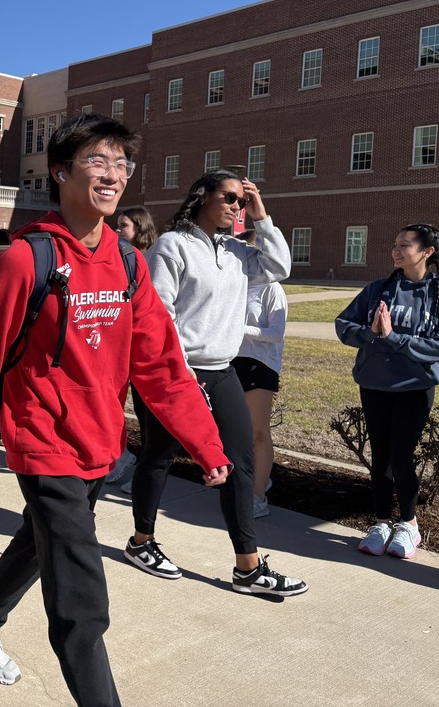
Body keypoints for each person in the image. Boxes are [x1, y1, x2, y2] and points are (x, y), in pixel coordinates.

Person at [0, 114, 232, 706]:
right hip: (41, 441)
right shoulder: (25, 261)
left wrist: (205, 442)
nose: (113, 175)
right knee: (81, 600)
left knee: (39, 541)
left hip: (100, 442)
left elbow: (161, 365)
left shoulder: (126, 263)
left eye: (121, 165)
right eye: (98, 161)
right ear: (61, 171)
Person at [126, 169, 307, 597]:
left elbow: (279, 267)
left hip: (223, 370)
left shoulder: (238, 252)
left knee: (240, 462)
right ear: (201, 195)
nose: (234, 206)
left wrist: (262, 216)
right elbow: (159, 312)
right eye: (228, 197)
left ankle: (247, 565)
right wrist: (178, 371)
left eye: (240, 202)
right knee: (159, 456)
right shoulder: (173, 245)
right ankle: (142, 541)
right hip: (177, 372)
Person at [336, 224, 439, 559]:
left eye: (405, 245)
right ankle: (380, 523)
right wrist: (371, 334)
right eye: (395, 244)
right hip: (374, 385)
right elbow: (344, 324)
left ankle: (408, 524)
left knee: (401, 457)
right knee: (381, 458)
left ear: (427, 252)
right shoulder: (379, 289)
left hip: (414, 389)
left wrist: (393, 337)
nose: (396, 250)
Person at [230, 229, 288, 518]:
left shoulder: (272, 288)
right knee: (234, 433)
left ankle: (258, 496)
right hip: (229, 362)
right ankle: (246, 484)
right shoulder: (234, 284)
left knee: (257, 433)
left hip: (260, 365)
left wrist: (240, 330)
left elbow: (276, 333)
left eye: (245, 251)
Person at [106, 205, 158, 487]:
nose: (117, 230)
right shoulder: (123, 258)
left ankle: (140, 473)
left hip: (144, 348)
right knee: (127, 407)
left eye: (123, 225)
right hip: (124, 347)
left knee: (149, 414)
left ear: (140, 228)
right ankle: (122, 457)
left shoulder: (150, 260)